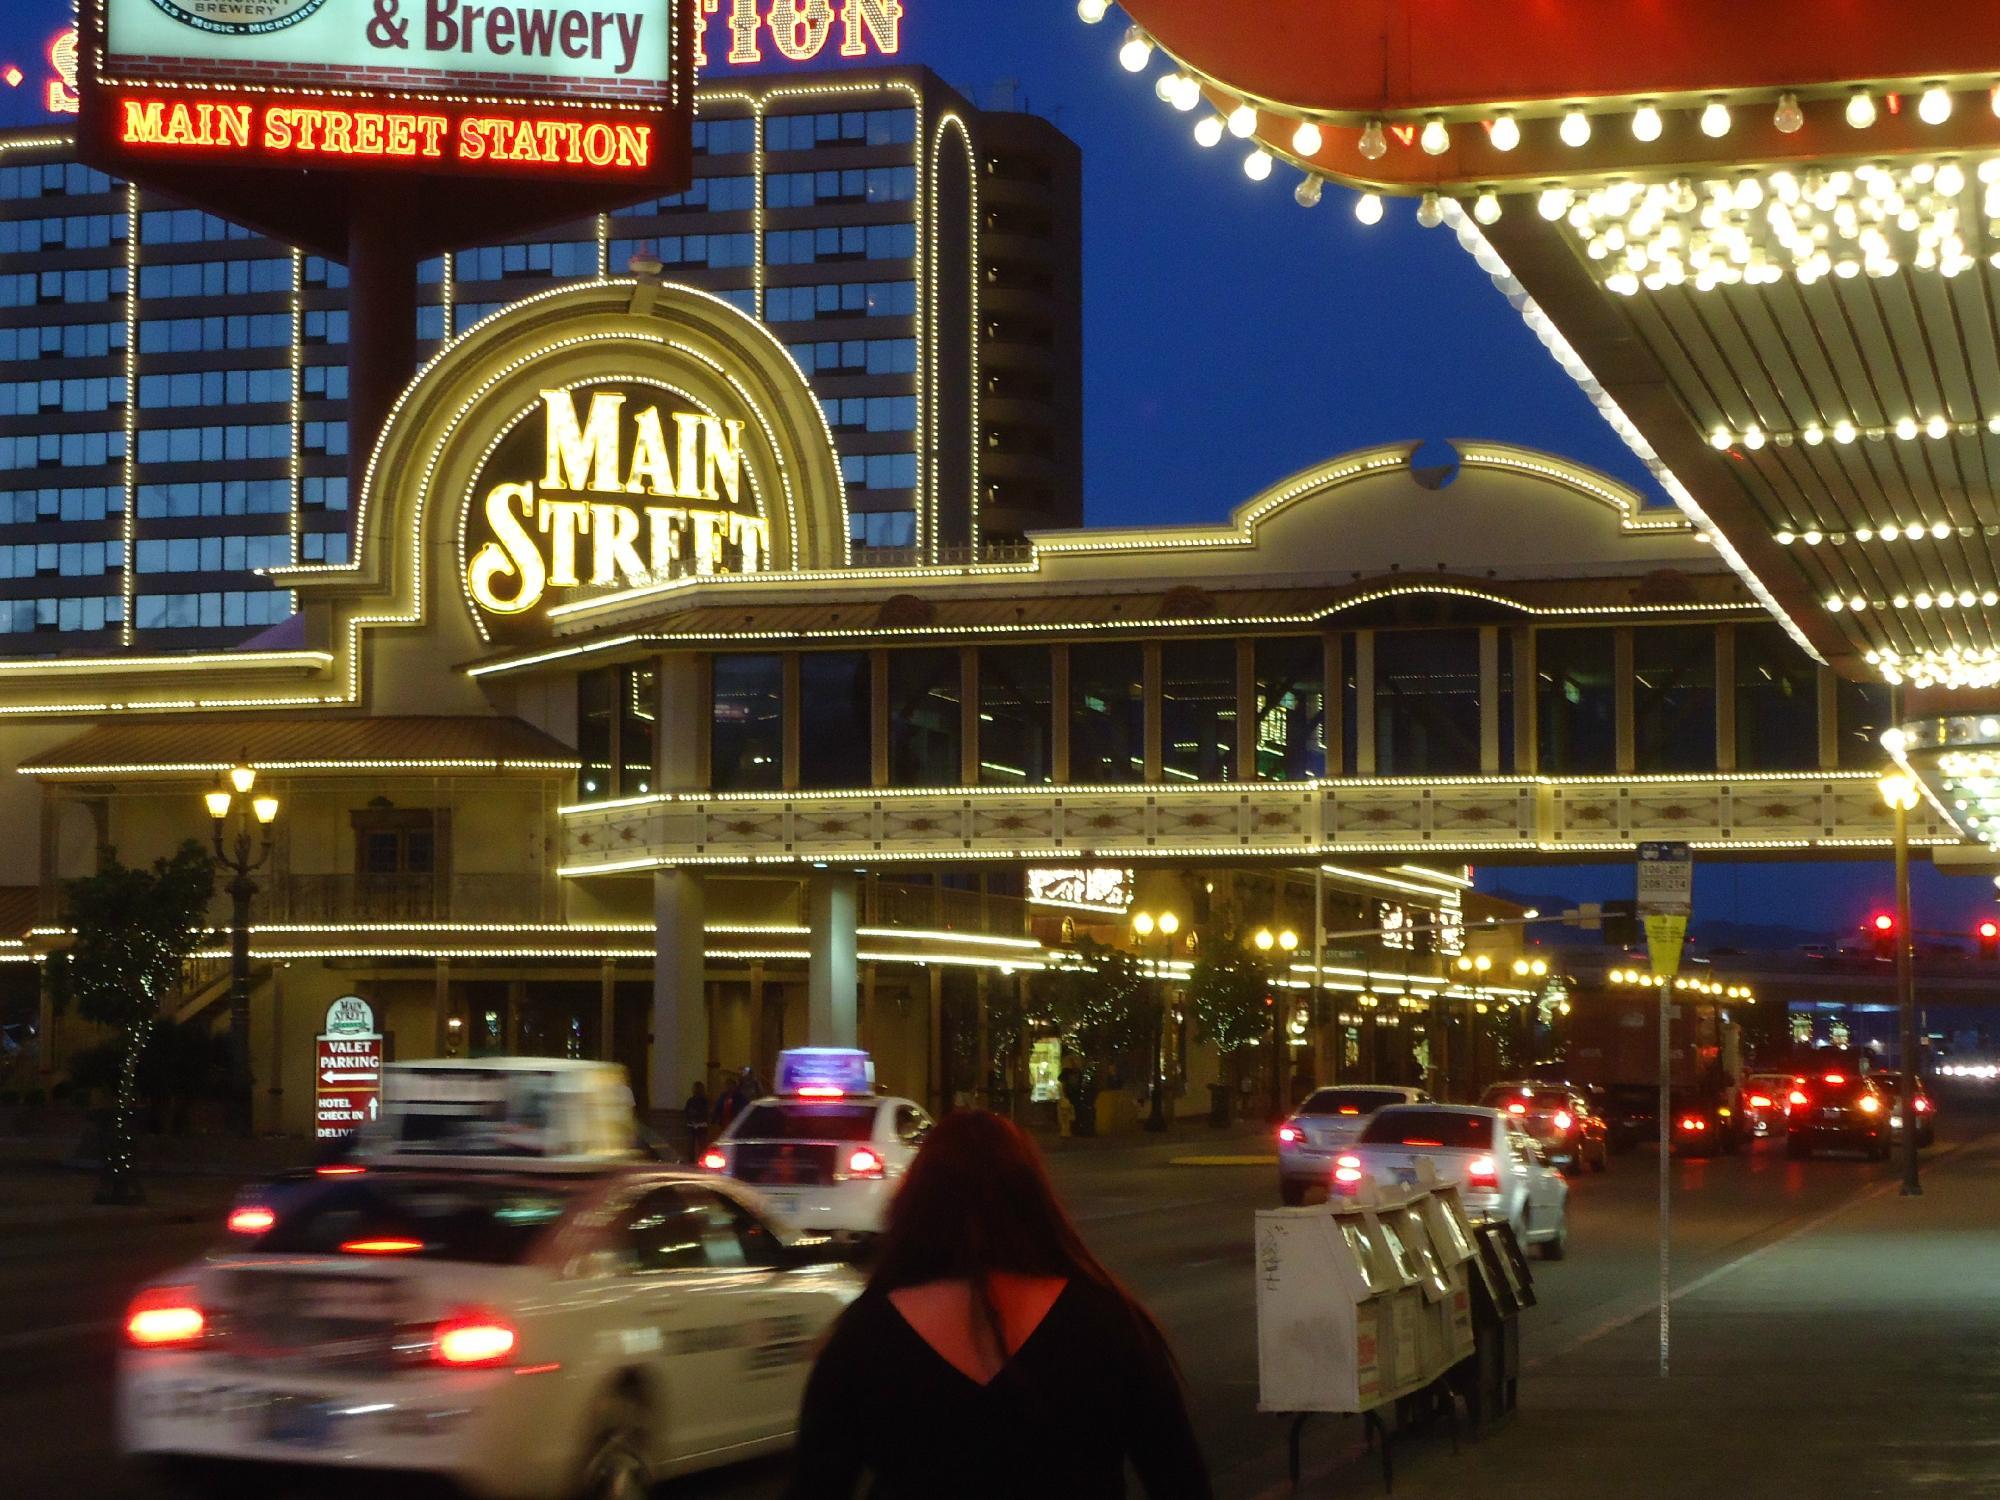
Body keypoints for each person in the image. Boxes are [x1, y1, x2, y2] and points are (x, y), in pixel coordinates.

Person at [784, 1111, 1210, 1499]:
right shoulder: (1108, 1322)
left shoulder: (865, 1335)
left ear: (916, 1206)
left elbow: (816, 1485)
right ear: (1034, 1201)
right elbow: (1179, 1479)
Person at [683, 1079, 711, 1159]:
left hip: (700, 1124)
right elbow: (686, 1111)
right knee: (691, 1144)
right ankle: (693, 1159)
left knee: (701, 1144)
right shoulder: (691, 1100)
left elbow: (705, 1112)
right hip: (692, 1124)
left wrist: (695, 1115)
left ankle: (701, 1158)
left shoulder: (704, 1101)